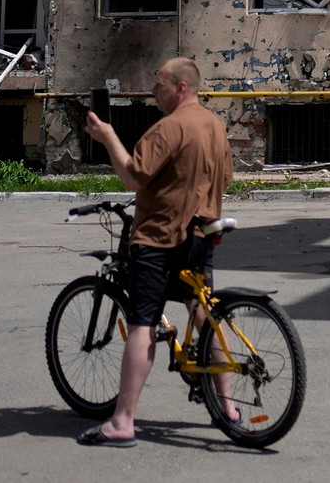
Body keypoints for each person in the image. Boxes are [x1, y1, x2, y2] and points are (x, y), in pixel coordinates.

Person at [78, 57, 231, 447]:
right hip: (201, 234)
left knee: (142, 323)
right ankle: (228, 407)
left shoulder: (169, 127)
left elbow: (132, 176)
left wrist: (108, 136)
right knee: (204, 313)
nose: (152, 90)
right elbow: (225, 177)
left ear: (181, 88)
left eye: (159, 84)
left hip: (160, 237)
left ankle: (122, 422)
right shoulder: (215, 126)